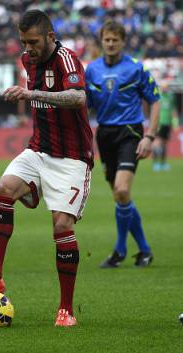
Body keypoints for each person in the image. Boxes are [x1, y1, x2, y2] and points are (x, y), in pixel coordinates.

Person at [0, 10, 94, 327]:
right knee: (3, 189)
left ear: (51, 37)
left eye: (34, 42)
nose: (28, 49)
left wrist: (31, 94)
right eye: (24, 42)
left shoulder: (67, 60)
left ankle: (66, 310)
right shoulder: (28, 61)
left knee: (61, 227)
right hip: (39, 148)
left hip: (72, 157)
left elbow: (78, 98)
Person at [85, 21, 160, 269]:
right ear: (102, 41)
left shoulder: (136, 68)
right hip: (105, 134)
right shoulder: (92, 70)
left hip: (130, 132)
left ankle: (119, 250)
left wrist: (149, 136)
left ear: (122, 42)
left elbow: (156, 100)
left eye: (115, 39)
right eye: (107, 39)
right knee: (120, 196)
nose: (110, 43)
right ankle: (145, 250)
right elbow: (85, 104)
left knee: (122, 190)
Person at [152, 82, 178, 172]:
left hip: (167, 123)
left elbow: (173, 110)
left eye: (166, 87)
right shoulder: (158, 97)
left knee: (164, 144)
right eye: (163, 87)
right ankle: (156, 163)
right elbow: (154, 110)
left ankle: (163, 164)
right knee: (157, 143)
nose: (165, 89)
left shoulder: (170, 97)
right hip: (160, 123)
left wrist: (175, 122)